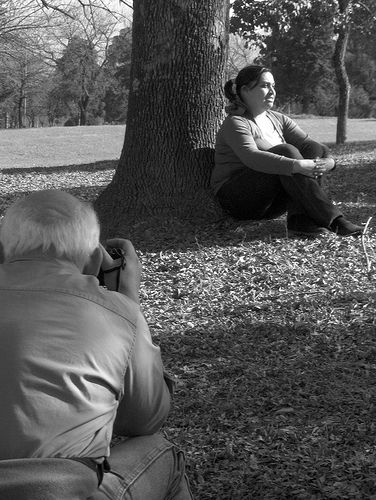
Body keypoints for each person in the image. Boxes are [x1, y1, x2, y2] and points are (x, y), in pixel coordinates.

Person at [0, 190, 193, 500]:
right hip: (61, 489)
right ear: (92, 259)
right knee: (159, 450)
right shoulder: (115, 311)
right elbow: (145, 419)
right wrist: (127, 297)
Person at [211, 65, 363, 238]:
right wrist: (297, 165)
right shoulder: (236, 122)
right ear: (245, 90)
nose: (272, 91)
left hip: (272, 203)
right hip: (239, 199)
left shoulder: (278, 119)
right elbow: (251, 157)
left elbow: (312, 146)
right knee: (286, 150)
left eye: (273, 86)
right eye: (265, 86)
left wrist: (330, 162)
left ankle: (301, 223)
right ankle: (335, 221)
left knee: (313, 149)